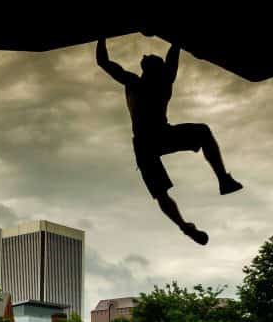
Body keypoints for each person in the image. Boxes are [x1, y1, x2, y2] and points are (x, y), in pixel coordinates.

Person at [96, 38, 243, 245]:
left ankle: (186, 223)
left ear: (150, 68)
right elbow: (174, 50)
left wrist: (102, 37)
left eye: (148, 57)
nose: (145, 55)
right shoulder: (164, 81)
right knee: (202, 132)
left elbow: (103, 61)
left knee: (161, 193)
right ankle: (222, 179)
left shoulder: (134, 82)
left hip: (145, 142)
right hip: (161, 135)